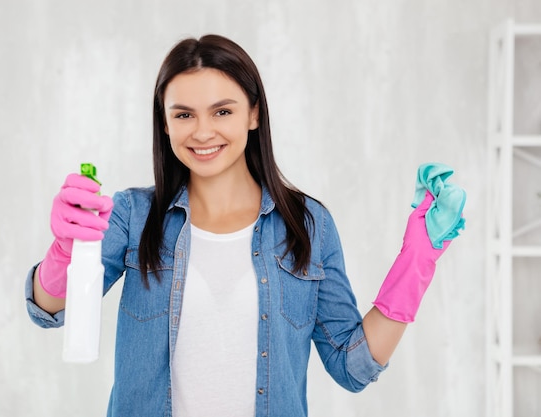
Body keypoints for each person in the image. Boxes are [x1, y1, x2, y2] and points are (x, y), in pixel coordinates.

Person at [26, 34, 460, 417]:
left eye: (221, 112)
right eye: (183, 115)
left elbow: (352, 365)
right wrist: (65, 251)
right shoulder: (133, 216)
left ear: (253, 114)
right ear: (164, 121)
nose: (202, 132)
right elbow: (51, 310)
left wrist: (417, 259)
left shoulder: (307, 225)